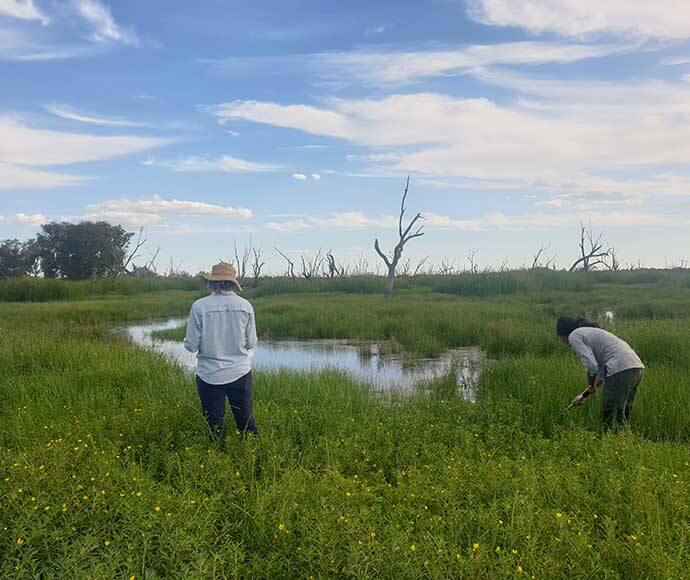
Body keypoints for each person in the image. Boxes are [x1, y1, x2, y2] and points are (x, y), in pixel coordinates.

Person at [184, 262, 258, 443]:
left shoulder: (199, 307)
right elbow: (251, 343)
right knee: (246, 420)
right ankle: (254, 455)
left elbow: (191, 346)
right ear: (233, 283)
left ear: (212, 283)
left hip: (209, 374)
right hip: (240, 372)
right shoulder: (245, 306)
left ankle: (218, 457)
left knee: (214, 423)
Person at [557, 317, 644, 430]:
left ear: (563, 335)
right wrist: (584, 395)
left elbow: (592, 366)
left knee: (609, 415)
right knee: (623, 414)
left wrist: (590, 384)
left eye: (560, 338)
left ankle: (610, 443)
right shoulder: (590, 333)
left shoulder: (574, 335)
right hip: (636, 368)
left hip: (620, 369)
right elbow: (602, 373)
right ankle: (624, 440)